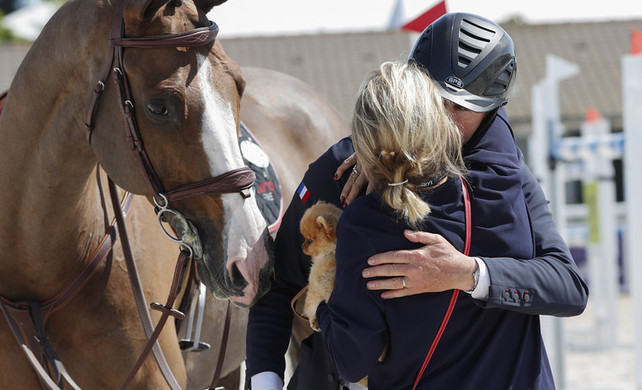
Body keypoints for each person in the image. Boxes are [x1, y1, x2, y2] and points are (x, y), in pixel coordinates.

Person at [246, 12, 588, 390]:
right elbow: (277, 287)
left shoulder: (512, 176)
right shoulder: (343, 170)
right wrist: (265, 382)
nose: (446, 122)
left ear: (491, 108)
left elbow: (568, 285)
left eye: (463, 108)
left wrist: (469, 273)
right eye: (436, 103)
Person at [318, 59, 542, 388]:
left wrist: (322, 307)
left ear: (363, 139)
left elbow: (352, 362)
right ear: (438, 122)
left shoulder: (364, 223)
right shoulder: (492, 191)